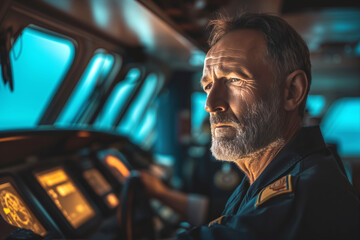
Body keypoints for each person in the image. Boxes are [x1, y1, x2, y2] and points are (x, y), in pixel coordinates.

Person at [140, 12, 360, 239]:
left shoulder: (302, 196)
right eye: (207, 86)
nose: (211, 104)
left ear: (292, 92)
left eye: (235, 80)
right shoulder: (268, 175)